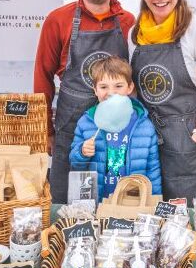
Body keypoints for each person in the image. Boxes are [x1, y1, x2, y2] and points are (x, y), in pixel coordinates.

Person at [34, 0, 135, 203]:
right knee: (66, 202)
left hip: (116, 132)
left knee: (111, 199)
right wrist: (46, 130)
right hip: (70, 129)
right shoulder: (58, 19)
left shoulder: (128, 22)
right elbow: (42, 77)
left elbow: (135, 80)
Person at [129, 0, 196, 205]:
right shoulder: (135, 33)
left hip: (185, 138)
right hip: (146, 139)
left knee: (188, 211)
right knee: (147, 209)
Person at [69, 56, 161, 202]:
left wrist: (154, 201)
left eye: (118, 86)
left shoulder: (144, 126)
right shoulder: (86, 123)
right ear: (95, 90)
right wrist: (82, 152)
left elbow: (153, 170)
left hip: (132, 202)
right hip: (97, 201)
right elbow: (75, 164)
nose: (111, 92)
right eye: (103, 87)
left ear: (129, 87)